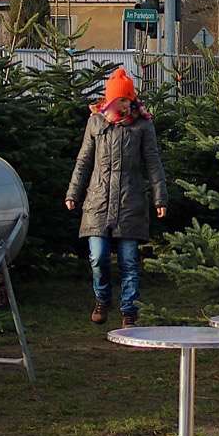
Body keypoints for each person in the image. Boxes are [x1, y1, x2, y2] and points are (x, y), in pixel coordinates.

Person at [67, 68, 167, 328]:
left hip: (130, 201)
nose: (123, 104)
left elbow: (153, 162)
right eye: (119, 99)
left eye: (126, 99)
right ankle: (102, 299)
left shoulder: (143, 125)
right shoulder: (96, 122)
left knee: (129, 261)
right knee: (98, 257)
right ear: (110, 100)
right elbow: (83, 160)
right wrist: (73, 193)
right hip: (98, 201)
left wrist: (160, 198)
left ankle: (129, 311)